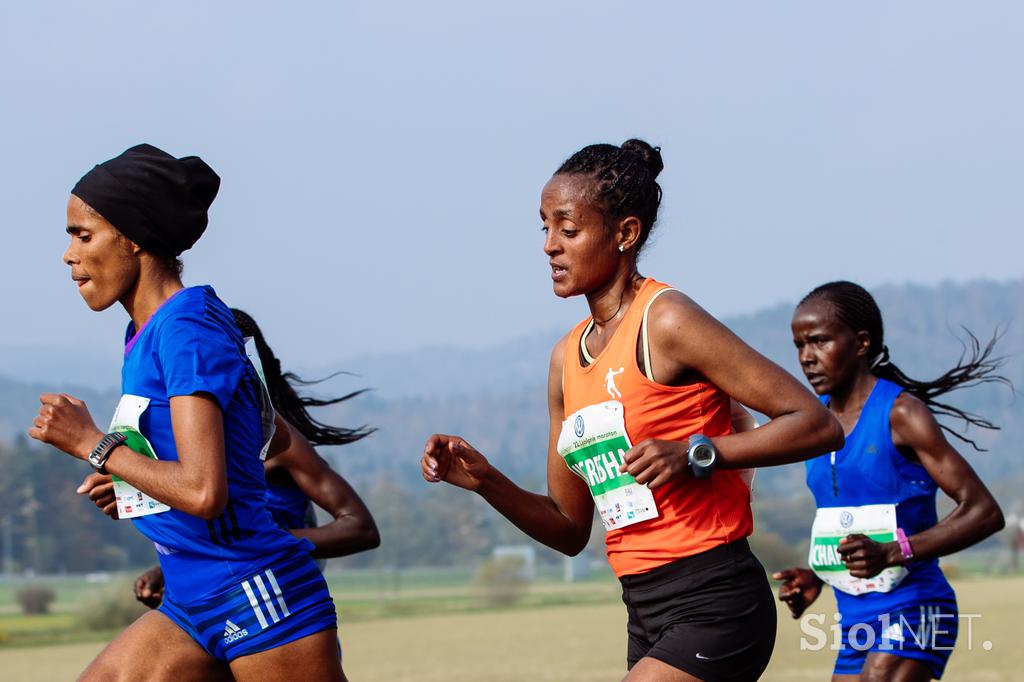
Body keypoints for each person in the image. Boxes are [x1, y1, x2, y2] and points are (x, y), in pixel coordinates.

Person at [420, 139, 844, 682]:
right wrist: (486, 482)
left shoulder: (666, 321)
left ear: (625, 233)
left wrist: (697, 454)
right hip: (642, 609)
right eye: (544, 228)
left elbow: (815, 423)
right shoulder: (564, 361)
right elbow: (570, 530)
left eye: (568, 230)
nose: (550, 246)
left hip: (716, 601)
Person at [29, 144, 345, 681]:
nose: (69, 255)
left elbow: (204, 490)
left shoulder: (187, 331)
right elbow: (194, 468)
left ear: (132, 237)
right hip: (188, 601)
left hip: (256, 595)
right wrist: (132, 485)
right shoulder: (144, 331)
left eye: (83, 236)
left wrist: (93, 445)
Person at [774, 281, 1006, 681]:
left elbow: (984, 512)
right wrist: (819, 575)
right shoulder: (816, 425)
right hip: (856, 620)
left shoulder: (901, 415)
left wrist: (894, 553)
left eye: (819, 342)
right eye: (799, 345)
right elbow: (850, 524)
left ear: (861, 343)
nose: (807, 358)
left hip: (918, 606)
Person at [125, 308, 380, 608]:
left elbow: (361, 528)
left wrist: (268, 539)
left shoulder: (282, 443)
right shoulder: (197, 448)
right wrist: (165, 570)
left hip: (278, 600)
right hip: (221, 599)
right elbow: (219, 534)